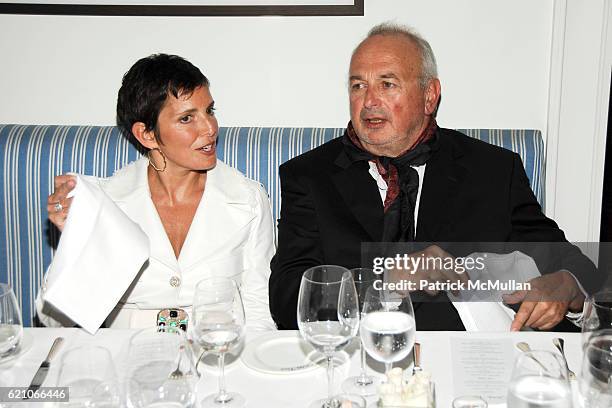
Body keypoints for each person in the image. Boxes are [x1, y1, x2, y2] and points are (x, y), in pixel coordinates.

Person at [269, 23, 604, 331]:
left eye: (387, 84)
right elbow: (287, 300)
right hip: (353, 366)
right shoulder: (310, 176)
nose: (368, 101)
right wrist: (389, 278)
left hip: (467, 369)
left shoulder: (493, 171)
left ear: (429, 96)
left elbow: (569, 261)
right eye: (358, 86)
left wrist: (568, 285)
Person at [37, 54, 276, 331]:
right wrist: (77, 241)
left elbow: (259, 310)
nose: (210, 128)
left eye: (209, 111)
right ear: (147, 134)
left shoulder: (249, 199)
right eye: (187, 118)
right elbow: (54, 322)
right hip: (125, 360)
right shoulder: (107, 202)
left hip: (216, 355)